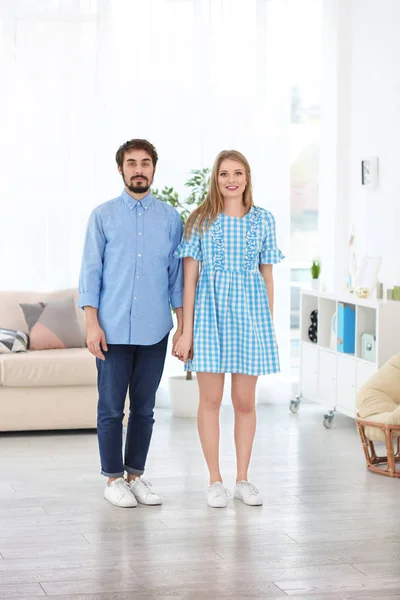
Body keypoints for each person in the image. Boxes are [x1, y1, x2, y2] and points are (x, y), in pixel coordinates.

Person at [173, 150, 284, 508]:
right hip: (209, 315)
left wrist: (265, 324)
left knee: (244, 402)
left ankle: (243, 479)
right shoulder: (200, 221)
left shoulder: (264, 220)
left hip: (250, 318)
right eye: (224, 174)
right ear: (215, 179)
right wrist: (186, 331)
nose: (231, 179)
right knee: (209, 400)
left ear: (247, 177)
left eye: (238, 172)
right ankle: (214, 480)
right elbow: (189, 280)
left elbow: (267, 275)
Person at [78, 139, 183, 508]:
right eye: (131, 163)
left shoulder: (171, 219)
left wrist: (182, 329)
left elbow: (177, 279)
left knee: (144, 408)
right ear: (120, 169)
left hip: (155, 329)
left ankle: (135, 476)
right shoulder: (102, 216)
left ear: (154, 168)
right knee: (110, 407)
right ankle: (112, 479)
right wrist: (92, 323)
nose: (139, 169)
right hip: (111, 329)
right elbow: (90, 273)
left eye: (145, 163)